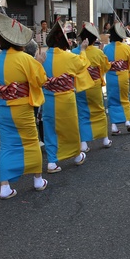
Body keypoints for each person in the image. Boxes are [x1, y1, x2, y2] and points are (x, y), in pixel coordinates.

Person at [0, 13, 49, 199]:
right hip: (22, 108)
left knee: (7, 145)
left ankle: (4, 186)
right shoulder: (26, 59)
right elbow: (40, 80)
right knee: (31, 141)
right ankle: (38, 179)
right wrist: (39, 63)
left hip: (3, 108)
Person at [41, 20, 94, 173]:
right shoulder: (69, 57)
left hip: (49, 97)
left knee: (50, 129)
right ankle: (76, 155)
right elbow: (83, 64)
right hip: (66, 98)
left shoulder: (42, 56)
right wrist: (83, 49)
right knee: (70, 128)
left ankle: (52, 161)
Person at [72, 21, 112, 152]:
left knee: (82, 112)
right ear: (94, 39)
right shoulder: (98, 52)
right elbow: (106, 67)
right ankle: (105, 139)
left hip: (80, 85)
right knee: (99, 110)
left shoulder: (73, 52)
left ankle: (83, 143)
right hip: (94, 85)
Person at [102, 20, 130, 134]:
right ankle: (127, 121)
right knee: (124, 98)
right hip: (122, 76)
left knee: (112, 100)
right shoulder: (126, 47)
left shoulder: (106, 48)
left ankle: (114, 126)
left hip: (111, 76)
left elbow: (103, 63)